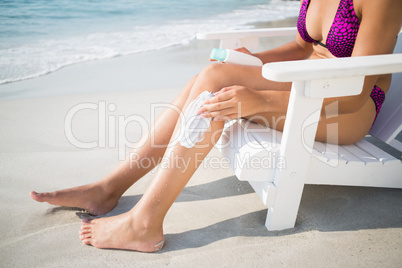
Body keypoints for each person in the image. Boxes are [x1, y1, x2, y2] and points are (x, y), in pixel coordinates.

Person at [30, 0, 402, 252]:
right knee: (211, 75)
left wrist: (260, 100)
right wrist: (248, 61)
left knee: (216, 80)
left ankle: (145, 221)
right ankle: (108, 189)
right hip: (307, 85)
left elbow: (354, 93)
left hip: (346, 111)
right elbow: (303, 49)